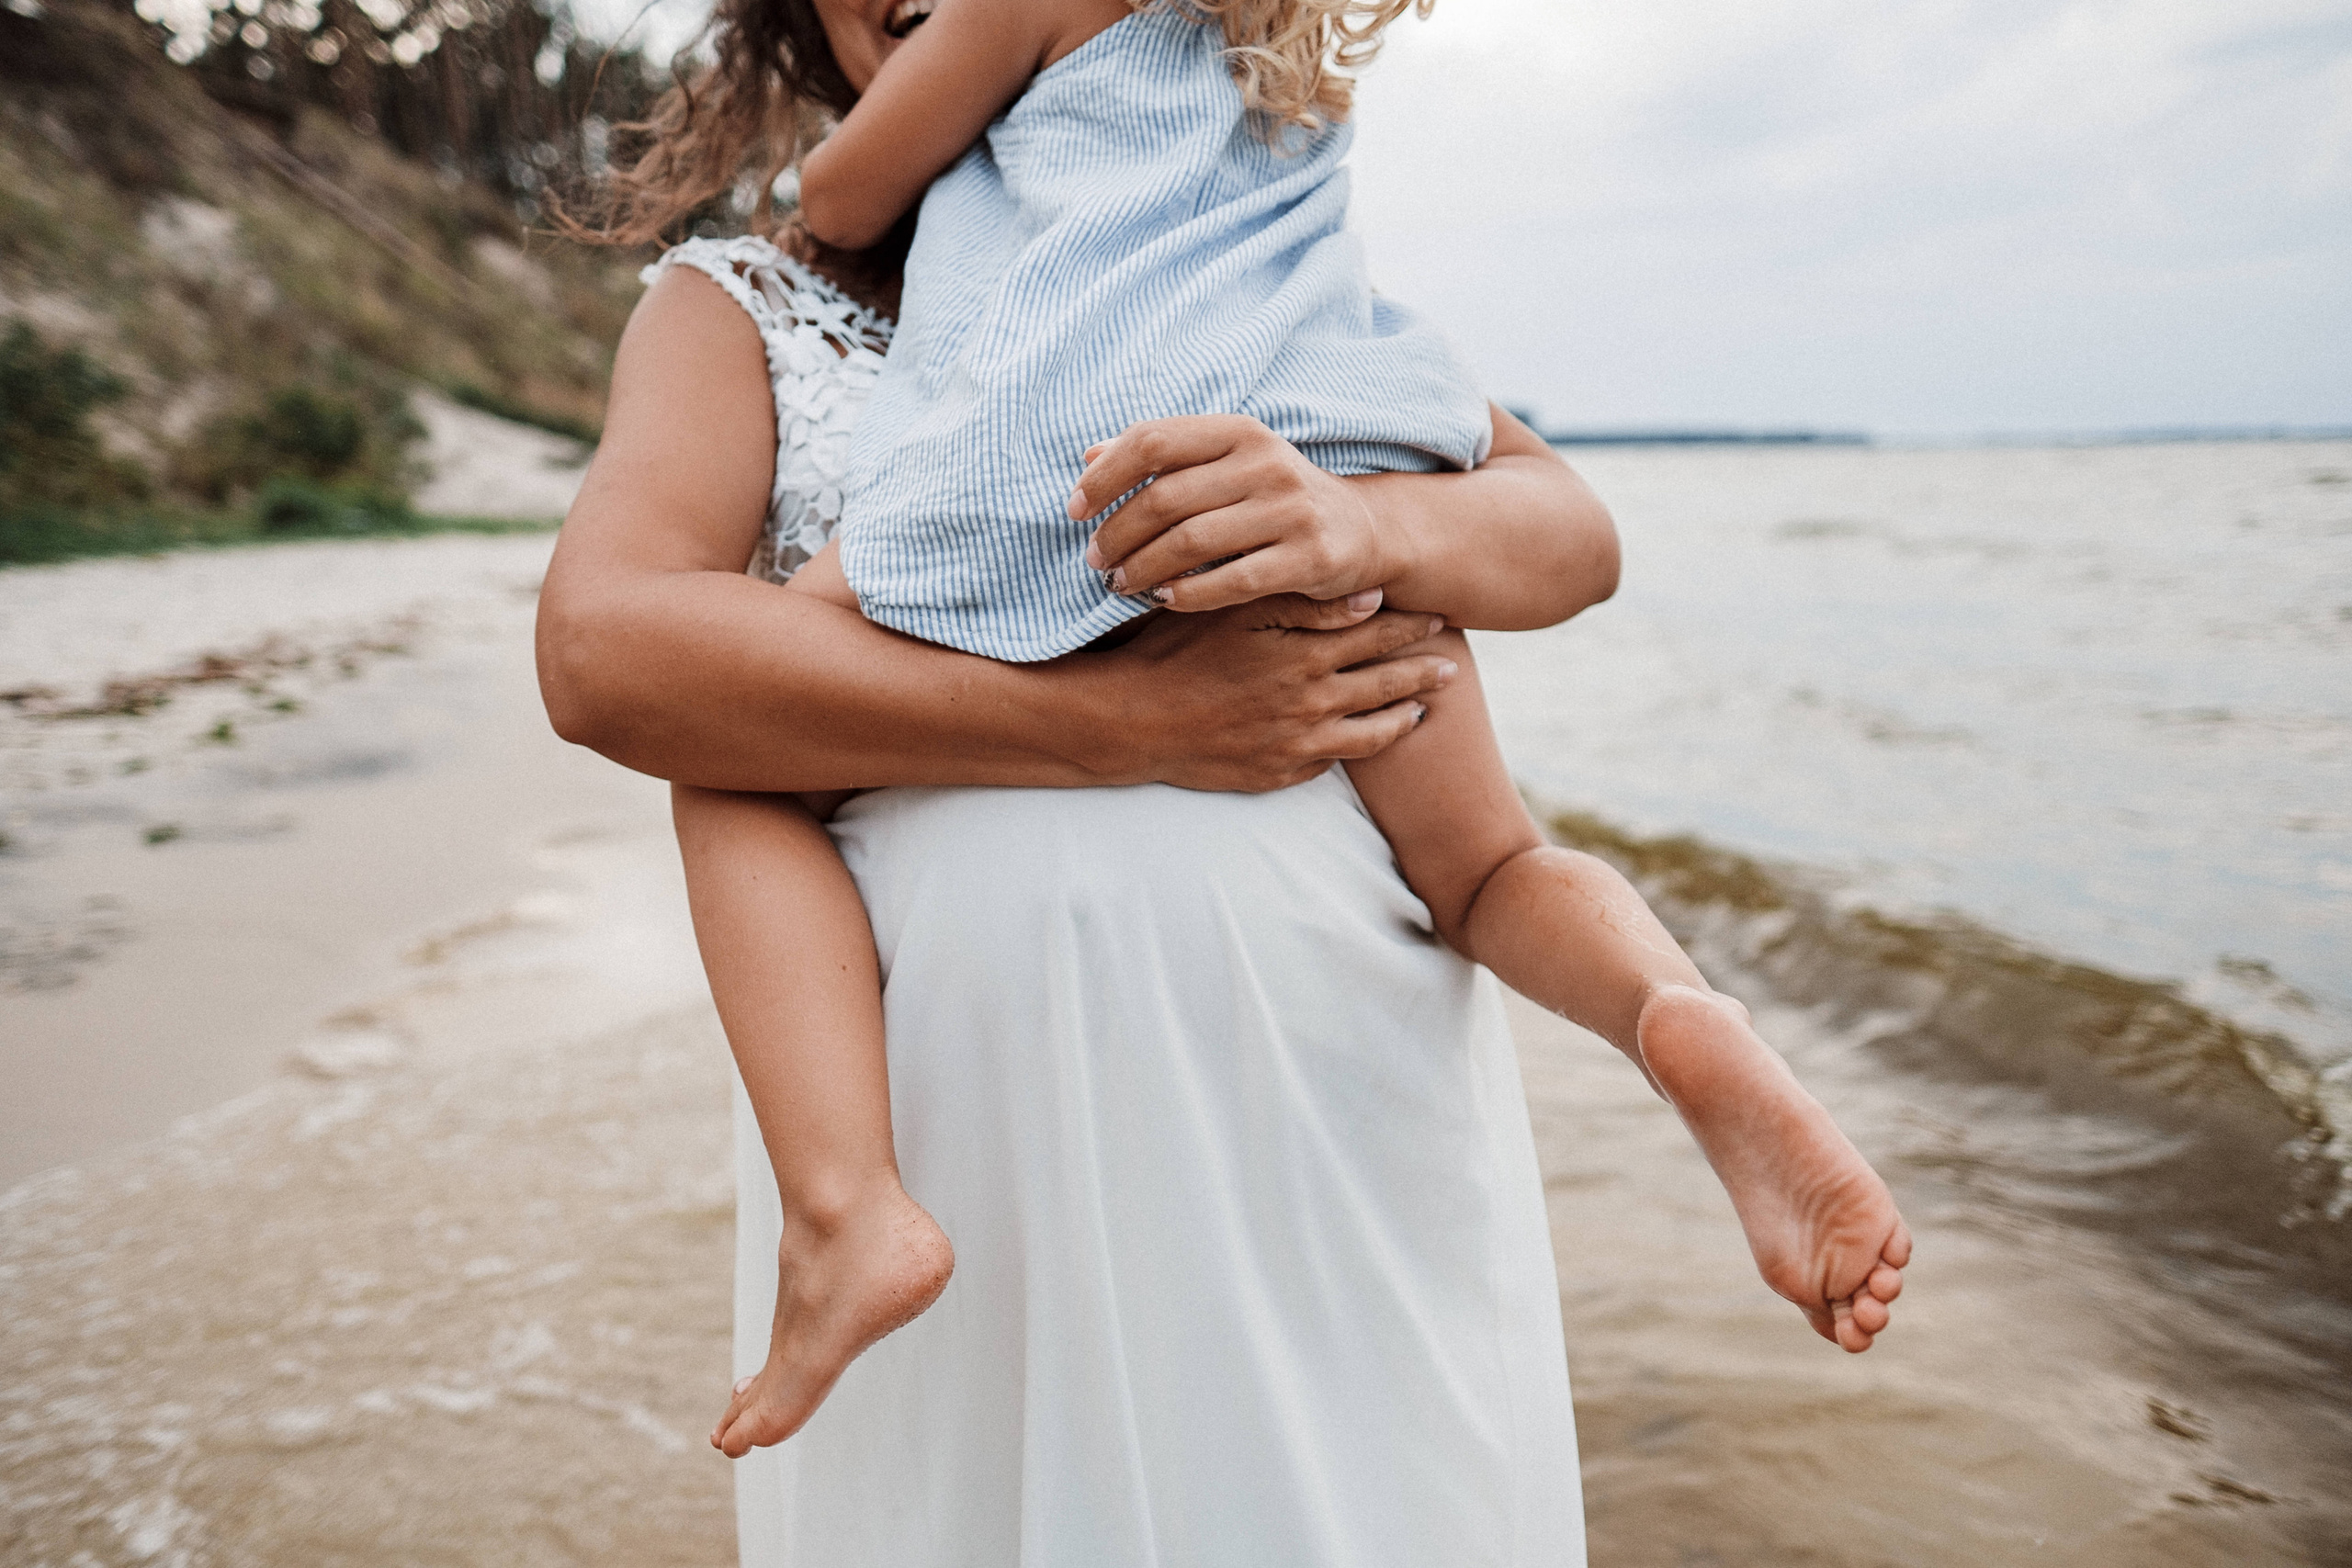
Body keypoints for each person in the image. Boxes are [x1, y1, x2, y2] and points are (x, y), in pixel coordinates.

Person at [539, 2, 1901, 1560]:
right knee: (1491, 873)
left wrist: (1369, 528)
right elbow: (609, 658)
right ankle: (1672, 1015)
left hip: (1318, 1067)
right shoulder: (761, 308)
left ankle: (1678, 1029)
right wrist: (1122, 729)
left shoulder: (1232, 264)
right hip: (984, 1146)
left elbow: (1569, 529)